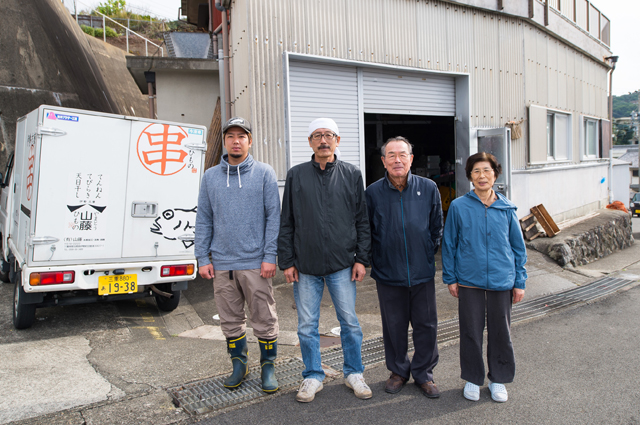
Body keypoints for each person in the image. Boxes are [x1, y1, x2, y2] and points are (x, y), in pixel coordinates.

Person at [278, 118, 372, 403]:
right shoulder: (296, 175)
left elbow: (362, 221)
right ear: (309, 142)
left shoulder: (352, 174)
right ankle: (312, 375)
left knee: (350, 322)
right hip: (305, 266)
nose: (323, 140)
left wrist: (362, 259)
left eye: (329, 135)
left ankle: (354, 372)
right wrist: (287, 262)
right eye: (317, 135)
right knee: (307, 325)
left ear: (337, 140)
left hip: (342, 264)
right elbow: (287, 222)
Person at [195, 117, 280, 393]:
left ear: (249, 141)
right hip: (222, 264)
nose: (236, 141)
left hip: (256, 262)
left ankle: (268, 366)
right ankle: (238, 365)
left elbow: (273, 217)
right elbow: (204, 219)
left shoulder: (264, 173)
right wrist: (203, 257)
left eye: (241, 136)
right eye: (230, 136)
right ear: (225, 142)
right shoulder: (210, 177)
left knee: (264, 318)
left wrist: (270, 256)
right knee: (230, 319)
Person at [441, 152, 527, 403]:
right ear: (469, 176)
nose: (482, 176)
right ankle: (472, 379)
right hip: (469, 280)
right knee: (471, 331)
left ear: (495, 174)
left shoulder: (507, 207)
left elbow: (518, 248)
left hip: (502, 281)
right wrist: (451, 278)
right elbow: (449, 244)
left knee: (501, 332)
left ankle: (498, 379)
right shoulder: (459, 206)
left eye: (487, 171)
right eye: (476, 171)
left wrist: (519, 281)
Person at [365, 136, 443, 398]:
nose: (397, 160)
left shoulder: (429, 188)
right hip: (388, 273)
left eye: (402, 155)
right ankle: (398, 371)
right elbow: (367, 231)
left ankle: (424, 374)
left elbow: (436, 227)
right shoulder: (373, 192)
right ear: (383, 161)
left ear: (411, 158)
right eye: (391, 155)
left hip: (422, 272)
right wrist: (376, 259)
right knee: (394, 326)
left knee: (426, 325)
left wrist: (424, 253)